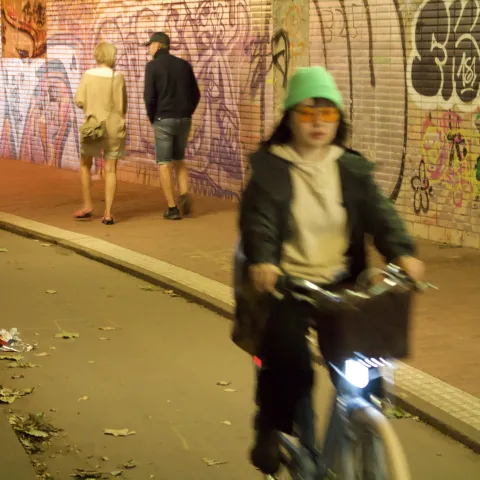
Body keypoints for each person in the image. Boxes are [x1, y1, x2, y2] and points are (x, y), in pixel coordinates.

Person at [233, 67, 425, 475]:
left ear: (339, 119)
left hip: (341, 284)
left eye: (328, 113)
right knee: (290, 362)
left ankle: (364, 422)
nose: (318, 122)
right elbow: (259, 222)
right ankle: (270, 426)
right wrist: (264, 260)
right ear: (290, 117)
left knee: (367, 360)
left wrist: (402, 252)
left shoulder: (350, 168)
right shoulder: (271, 169)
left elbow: (381, 215)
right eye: (307, 112)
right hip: (289, 284)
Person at [143, 32, 201, 220]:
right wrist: (187, 112)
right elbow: (196, 94)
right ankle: (184, 196)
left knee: (164, 163)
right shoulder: (184, 65)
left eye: (150, 45)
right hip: (184, 119)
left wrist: (153, 118)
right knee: (180, 159)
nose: (149, 49)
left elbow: (149, 97)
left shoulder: (152, 66)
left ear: (158, 45)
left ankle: (172, 208)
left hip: (163, 120)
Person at [73, 42, 127, 225]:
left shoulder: (88, 75)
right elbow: (122, 106)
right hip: (114, 127)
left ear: (97, 55)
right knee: (111, 169)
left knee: (85, 164)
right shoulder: (118, 77)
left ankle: (88, 205)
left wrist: (91, 105)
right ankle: (108, 213)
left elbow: (79, 100)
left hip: (93, 127)